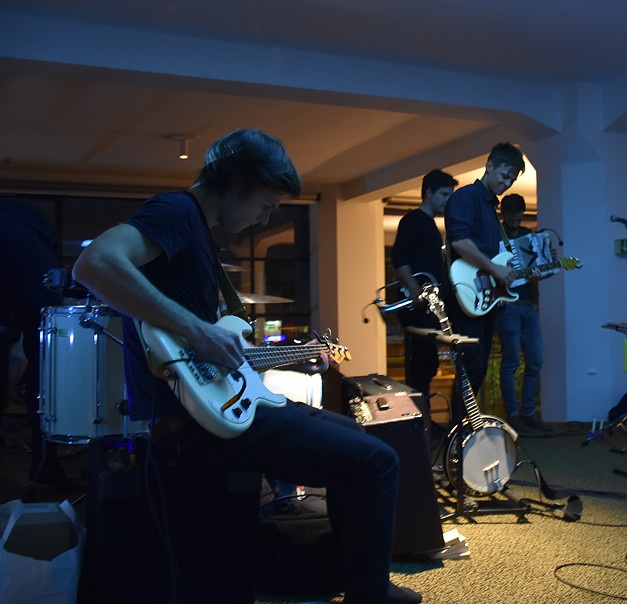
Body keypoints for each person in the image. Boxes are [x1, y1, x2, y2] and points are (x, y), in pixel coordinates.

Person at [72, 129, 420, 604]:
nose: (266, 216)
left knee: (355, 439)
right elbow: (94, 264)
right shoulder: (177, 212)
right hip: (195, 427)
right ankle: (369, 594)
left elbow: (211, 352)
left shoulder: (199, 236)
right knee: (377, 462)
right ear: (238, 182)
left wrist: (278, 356)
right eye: (266, 203)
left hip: (212, 409)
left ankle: (357, 579)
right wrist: (198, 330)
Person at [444, 141, 524, 419]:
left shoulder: (490, 209)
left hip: (483, 295)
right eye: (504, 175)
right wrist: (494, 268)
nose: (507, 183)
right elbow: (459, 241)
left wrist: (507, 273)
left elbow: (493, 260)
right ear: (489, 166)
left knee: (476, 367)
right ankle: (459, 431)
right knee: (472, 365)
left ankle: (464, 429)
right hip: (465, 292)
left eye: (512, 180)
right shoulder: (467, 197)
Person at [0, 197, 73, 489]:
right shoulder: (29, 230)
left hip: (21, 234)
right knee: (45, 349)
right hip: (22, 238)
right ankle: (45, 461)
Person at [390, 169, 457, 397]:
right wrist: (414, 290)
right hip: (417, 305)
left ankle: (423, 413)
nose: (447, 201)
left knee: (426, 364)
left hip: (426, 304)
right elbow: (399, 258)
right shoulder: (413, 220)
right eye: (444, 195)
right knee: (421, 365)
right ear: (429, 193)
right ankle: (421, 414)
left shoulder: (429, 224)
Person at [495, 193, 551, 434]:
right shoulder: (494, 235)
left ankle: (529, 413)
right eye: (512, 219)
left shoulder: (529, 236)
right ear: (503, 215)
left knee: (535, 360)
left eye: (519, 219)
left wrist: (539, 275)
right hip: (507, 306)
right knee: (511, 362)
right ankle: (513, 414)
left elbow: (539, 270)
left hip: (529, 304)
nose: (516, 223)